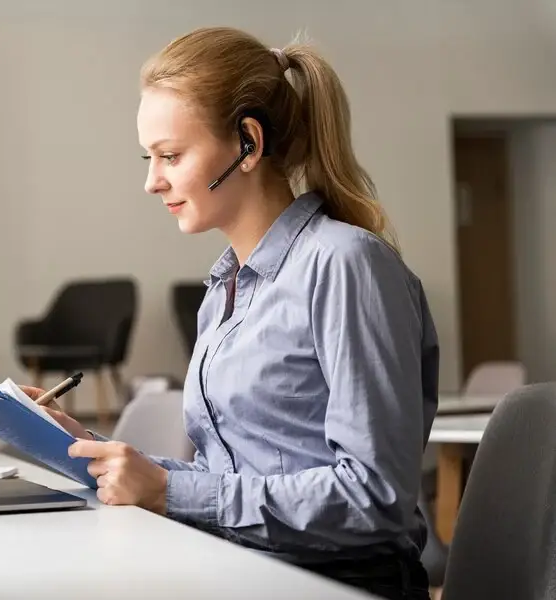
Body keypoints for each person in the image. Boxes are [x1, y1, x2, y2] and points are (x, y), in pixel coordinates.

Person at [22, 26, 439, 600]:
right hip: (239, 568)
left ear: (247, 142)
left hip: (336, 583)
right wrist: (89, 448)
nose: (151, 181)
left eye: (170, 155)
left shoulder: (346, 265)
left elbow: (376, 497)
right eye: (150, 158)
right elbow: (233, 484)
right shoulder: (224, 290)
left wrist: (169, 491)